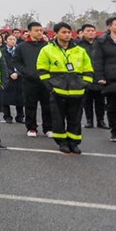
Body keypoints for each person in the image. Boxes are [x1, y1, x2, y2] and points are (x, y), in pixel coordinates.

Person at [37, 22, 94, 154]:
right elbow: (42, 70)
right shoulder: (47, 50)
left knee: (75, 119)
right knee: (58, 119)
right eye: (63, 32)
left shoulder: (80, 51)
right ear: (56, 34)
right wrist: (50, 87)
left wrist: (85, 85)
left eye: (69, 32)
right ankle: (62, 142)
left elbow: (88, 70)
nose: (67, 35)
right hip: (58, 91)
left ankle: (74, 142)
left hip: (77, 92)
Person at [13, 22, 52, 138]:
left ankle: (48, 128)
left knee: (47, 105)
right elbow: (16, 61)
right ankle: (31, 128)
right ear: (29, 32)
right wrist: (25, 72)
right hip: (29, 81)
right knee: (30, 105)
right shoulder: (22, 46)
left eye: (41, 30)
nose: (39, 32)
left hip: (46, 80)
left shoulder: (48, 46)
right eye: (36, 30)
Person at [76, 24, 106, 129]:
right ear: (82, 32)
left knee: (100, 101)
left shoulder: (100, 44)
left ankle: (101, 121)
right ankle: (89, 120)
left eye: (92, 31)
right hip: (85, 76)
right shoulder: (78, 45)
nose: (91, 32)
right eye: (88, 31)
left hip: (99, 76)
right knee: (87, 101)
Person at [1, 33, 25, 124]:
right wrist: (10, 73)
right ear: (6, 41)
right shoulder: (2, 51)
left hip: (19, 76)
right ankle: (7, 116)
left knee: (20, 98)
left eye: (14, 39)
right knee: (5, 98)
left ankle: (20, 117)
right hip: (7, 77)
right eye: (10, 39)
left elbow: (23, 63)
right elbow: (2, 65)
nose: (12, 41)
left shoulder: (20, 51)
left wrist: (18, 73)